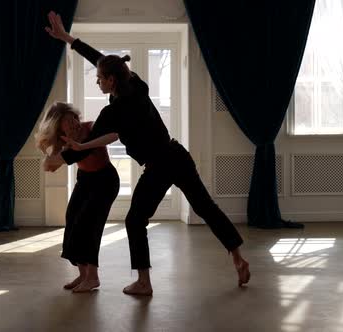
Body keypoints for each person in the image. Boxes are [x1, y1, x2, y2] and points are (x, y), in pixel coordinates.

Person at [45, 11, 250, 296]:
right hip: (177, 154)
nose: (97, 82)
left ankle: (144, 282)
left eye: (100, 79)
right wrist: (67, 38)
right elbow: (100, 60)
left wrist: (61, 159)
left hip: (159, 165)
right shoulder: (137, 85)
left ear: (112, 81)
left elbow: (95, 140)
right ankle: (238, 257)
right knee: (205, 207)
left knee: (134, 220)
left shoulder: (114, 110)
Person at [36, 102, 120, 293]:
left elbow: (111, 136)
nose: (74, 123)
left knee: (90, 225)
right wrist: (54, 151)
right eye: (67, 121)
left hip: (105, 180)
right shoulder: (62, 141)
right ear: (58, 126)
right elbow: (50, 166)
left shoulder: (90, 128)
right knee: (72, 219)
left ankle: (93, 277)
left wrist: (63, 154)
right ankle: (83, 275)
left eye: (74, 117)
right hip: (85, 180)